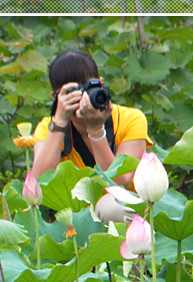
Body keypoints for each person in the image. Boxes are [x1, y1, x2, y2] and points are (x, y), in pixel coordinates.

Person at [32, 50, 151, 223]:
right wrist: (59, 121)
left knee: (107, 208)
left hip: (132, 213)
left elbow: (119, 183)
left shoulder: (131, 119)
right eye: (70, 92)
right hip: (78, 220)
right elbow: (38, 186)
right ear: (54, 97)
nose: (80, 97)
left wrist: (95, 129)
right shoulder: (49, 128)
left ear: (100, 84)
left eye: (85, 88)